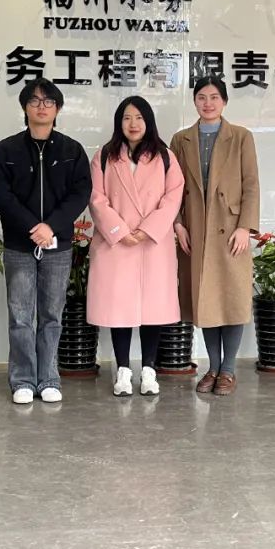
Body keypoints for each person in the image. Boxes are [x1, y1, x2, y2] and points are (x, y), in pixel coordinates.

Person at [0, 79, 91, 405]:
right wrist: (34, 227)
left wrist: (52, 227)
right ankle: (22, 380)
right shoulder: (6, 151)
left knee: (51, 315)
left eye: (48, 101)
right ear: (24, 107)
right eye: (34, 101)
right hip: (19, 245)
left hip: (58, 246)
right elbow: (2, 197)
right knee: (20, 316)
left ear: (57, 108)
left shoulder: (72, 151)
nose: (41, 106)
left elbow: (80, 194)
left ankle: (48, 379)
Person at [87, 96, 185, 397]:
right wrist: (120, 230)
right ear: (119, 122)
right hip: (116, 244)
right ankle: (123, 370)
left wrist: (146, 230)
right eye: (127, 117)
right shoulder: (105, 156)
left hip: (152, 244)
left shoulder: (165, 156)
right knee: (120, 309)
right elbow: (96, 198)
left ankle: (149, 370)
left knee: (152, 309)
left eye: (139, 117)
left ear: (148, 121)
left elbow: (173, 196)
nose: (133, 124)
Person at [170, 76, 260, 396]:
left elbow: (251, 184)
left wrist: (245, 227)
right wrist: (178, 224)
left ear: (224, 101)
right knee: (205, 299)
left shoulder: (241, 137)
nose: (207, 103)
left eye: (214, 97)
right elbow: (172, 188)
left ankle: (228, 370)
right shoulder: (181, 139)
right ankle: (213, 367)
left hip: (231, 231)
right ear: (194, 101)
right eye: (201, 97)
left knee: (231, 298)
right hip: (195, 231)